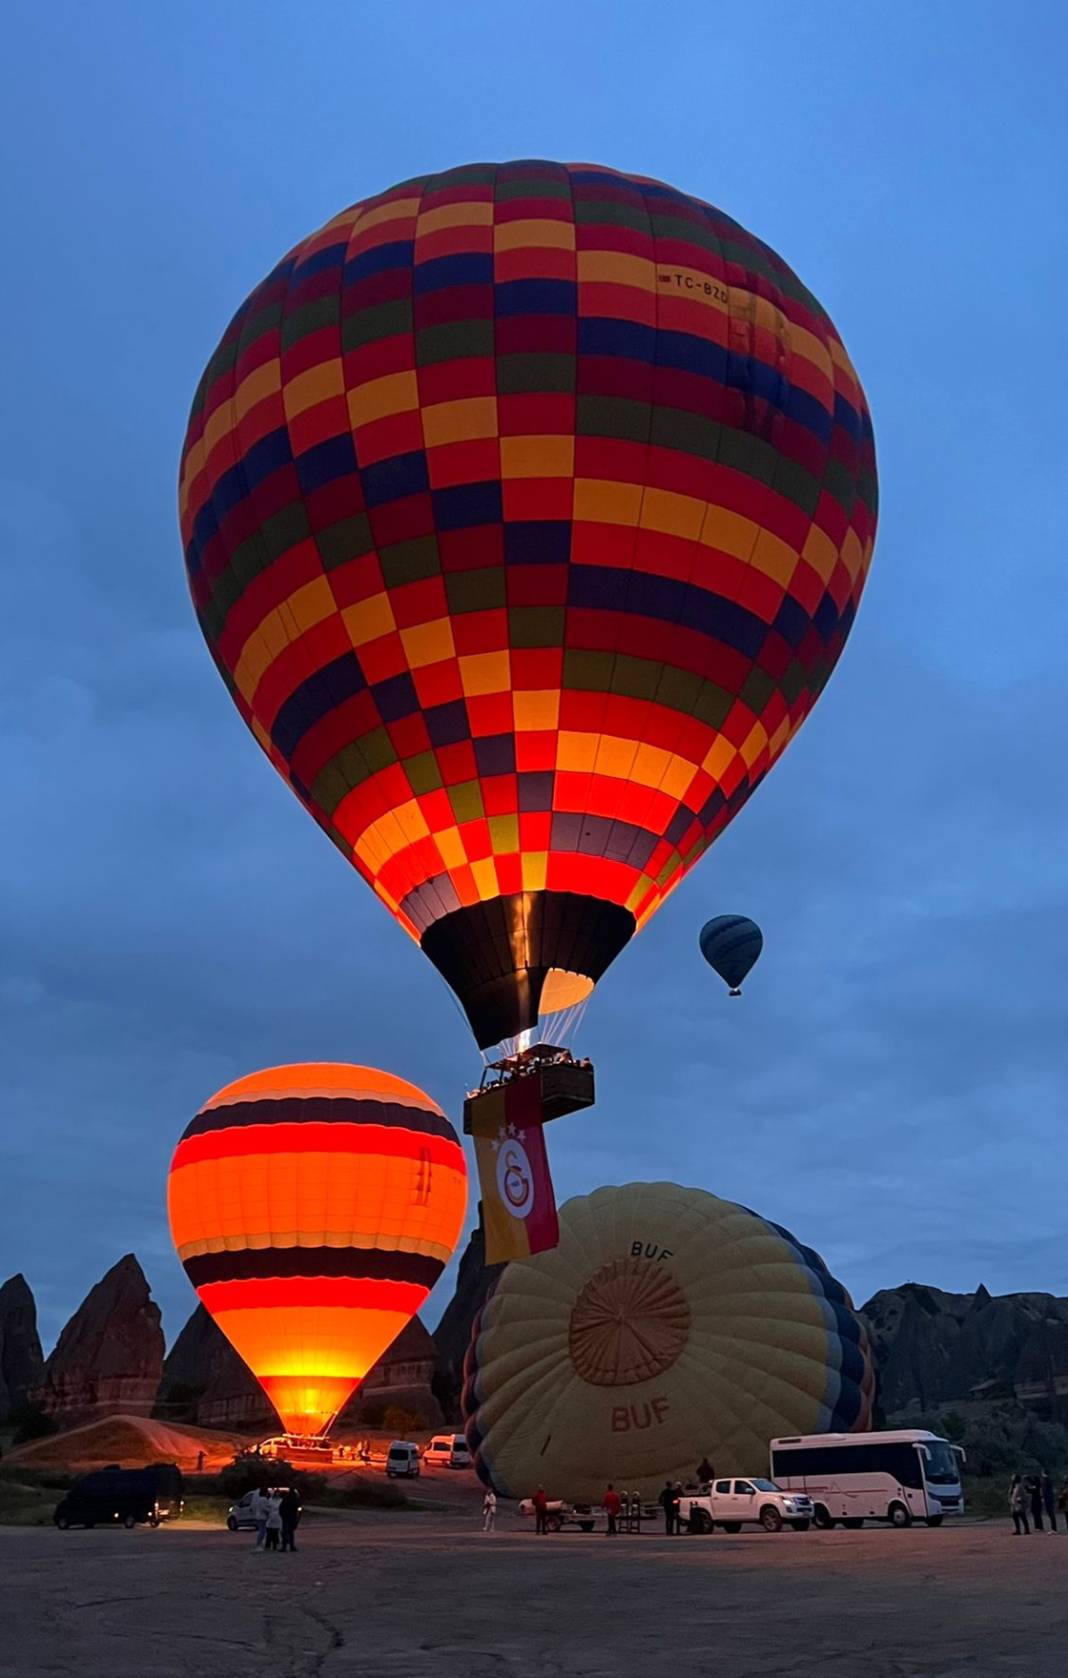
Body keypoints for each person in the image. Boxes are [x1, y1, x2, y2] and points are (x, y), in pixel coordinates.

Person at [279, 1486, 301, 1552]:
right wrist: (297, 1517)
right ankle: (291, 1546)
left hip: (286, 1518)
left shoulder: (285, 1499)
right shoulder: (296, 1499)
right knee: (291, 1532)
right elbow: (299, 1509)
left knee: (285, 1532)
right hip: (292, 1517)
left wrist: (282, 1516)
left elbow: (281, 1509)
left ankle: (284, 1546)